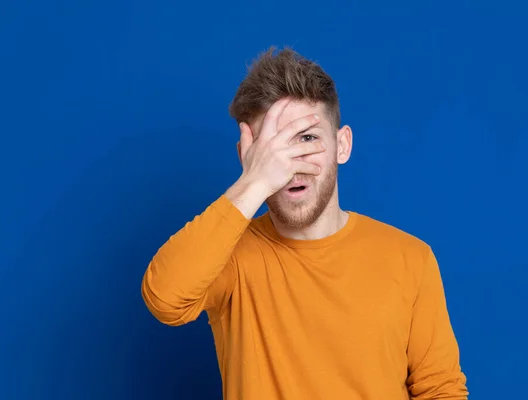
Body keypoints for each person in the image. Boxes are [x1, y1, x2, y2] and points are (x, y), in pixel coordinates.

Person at [141, 47, 468, 400]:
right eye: (273, 147)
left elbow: (440, 389)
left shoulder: (411, 259)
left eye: (307, 138)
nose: (291, 164)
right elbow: (164, 299)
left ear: (342, 145)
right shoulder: (230, 257)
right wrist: (255, 182)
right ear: (249, 158)